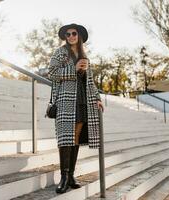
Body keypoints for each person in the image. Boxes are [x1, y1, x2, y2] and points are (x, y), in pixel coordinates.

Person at [48, 23, 104, 194]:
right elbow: (52, 73)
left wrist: (97, 98)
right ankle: (64, 177)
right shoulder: (60, 52)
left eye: (74, 33)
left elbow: (90, 81)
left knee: (76, 138)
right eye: (68, 34)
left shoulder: (84, 55)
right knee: (66, 138)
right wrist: (74, 68)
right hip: (66, 100)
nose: (71, 36)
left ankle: (71, 176)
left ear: (79, 36)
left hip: (82, 100)